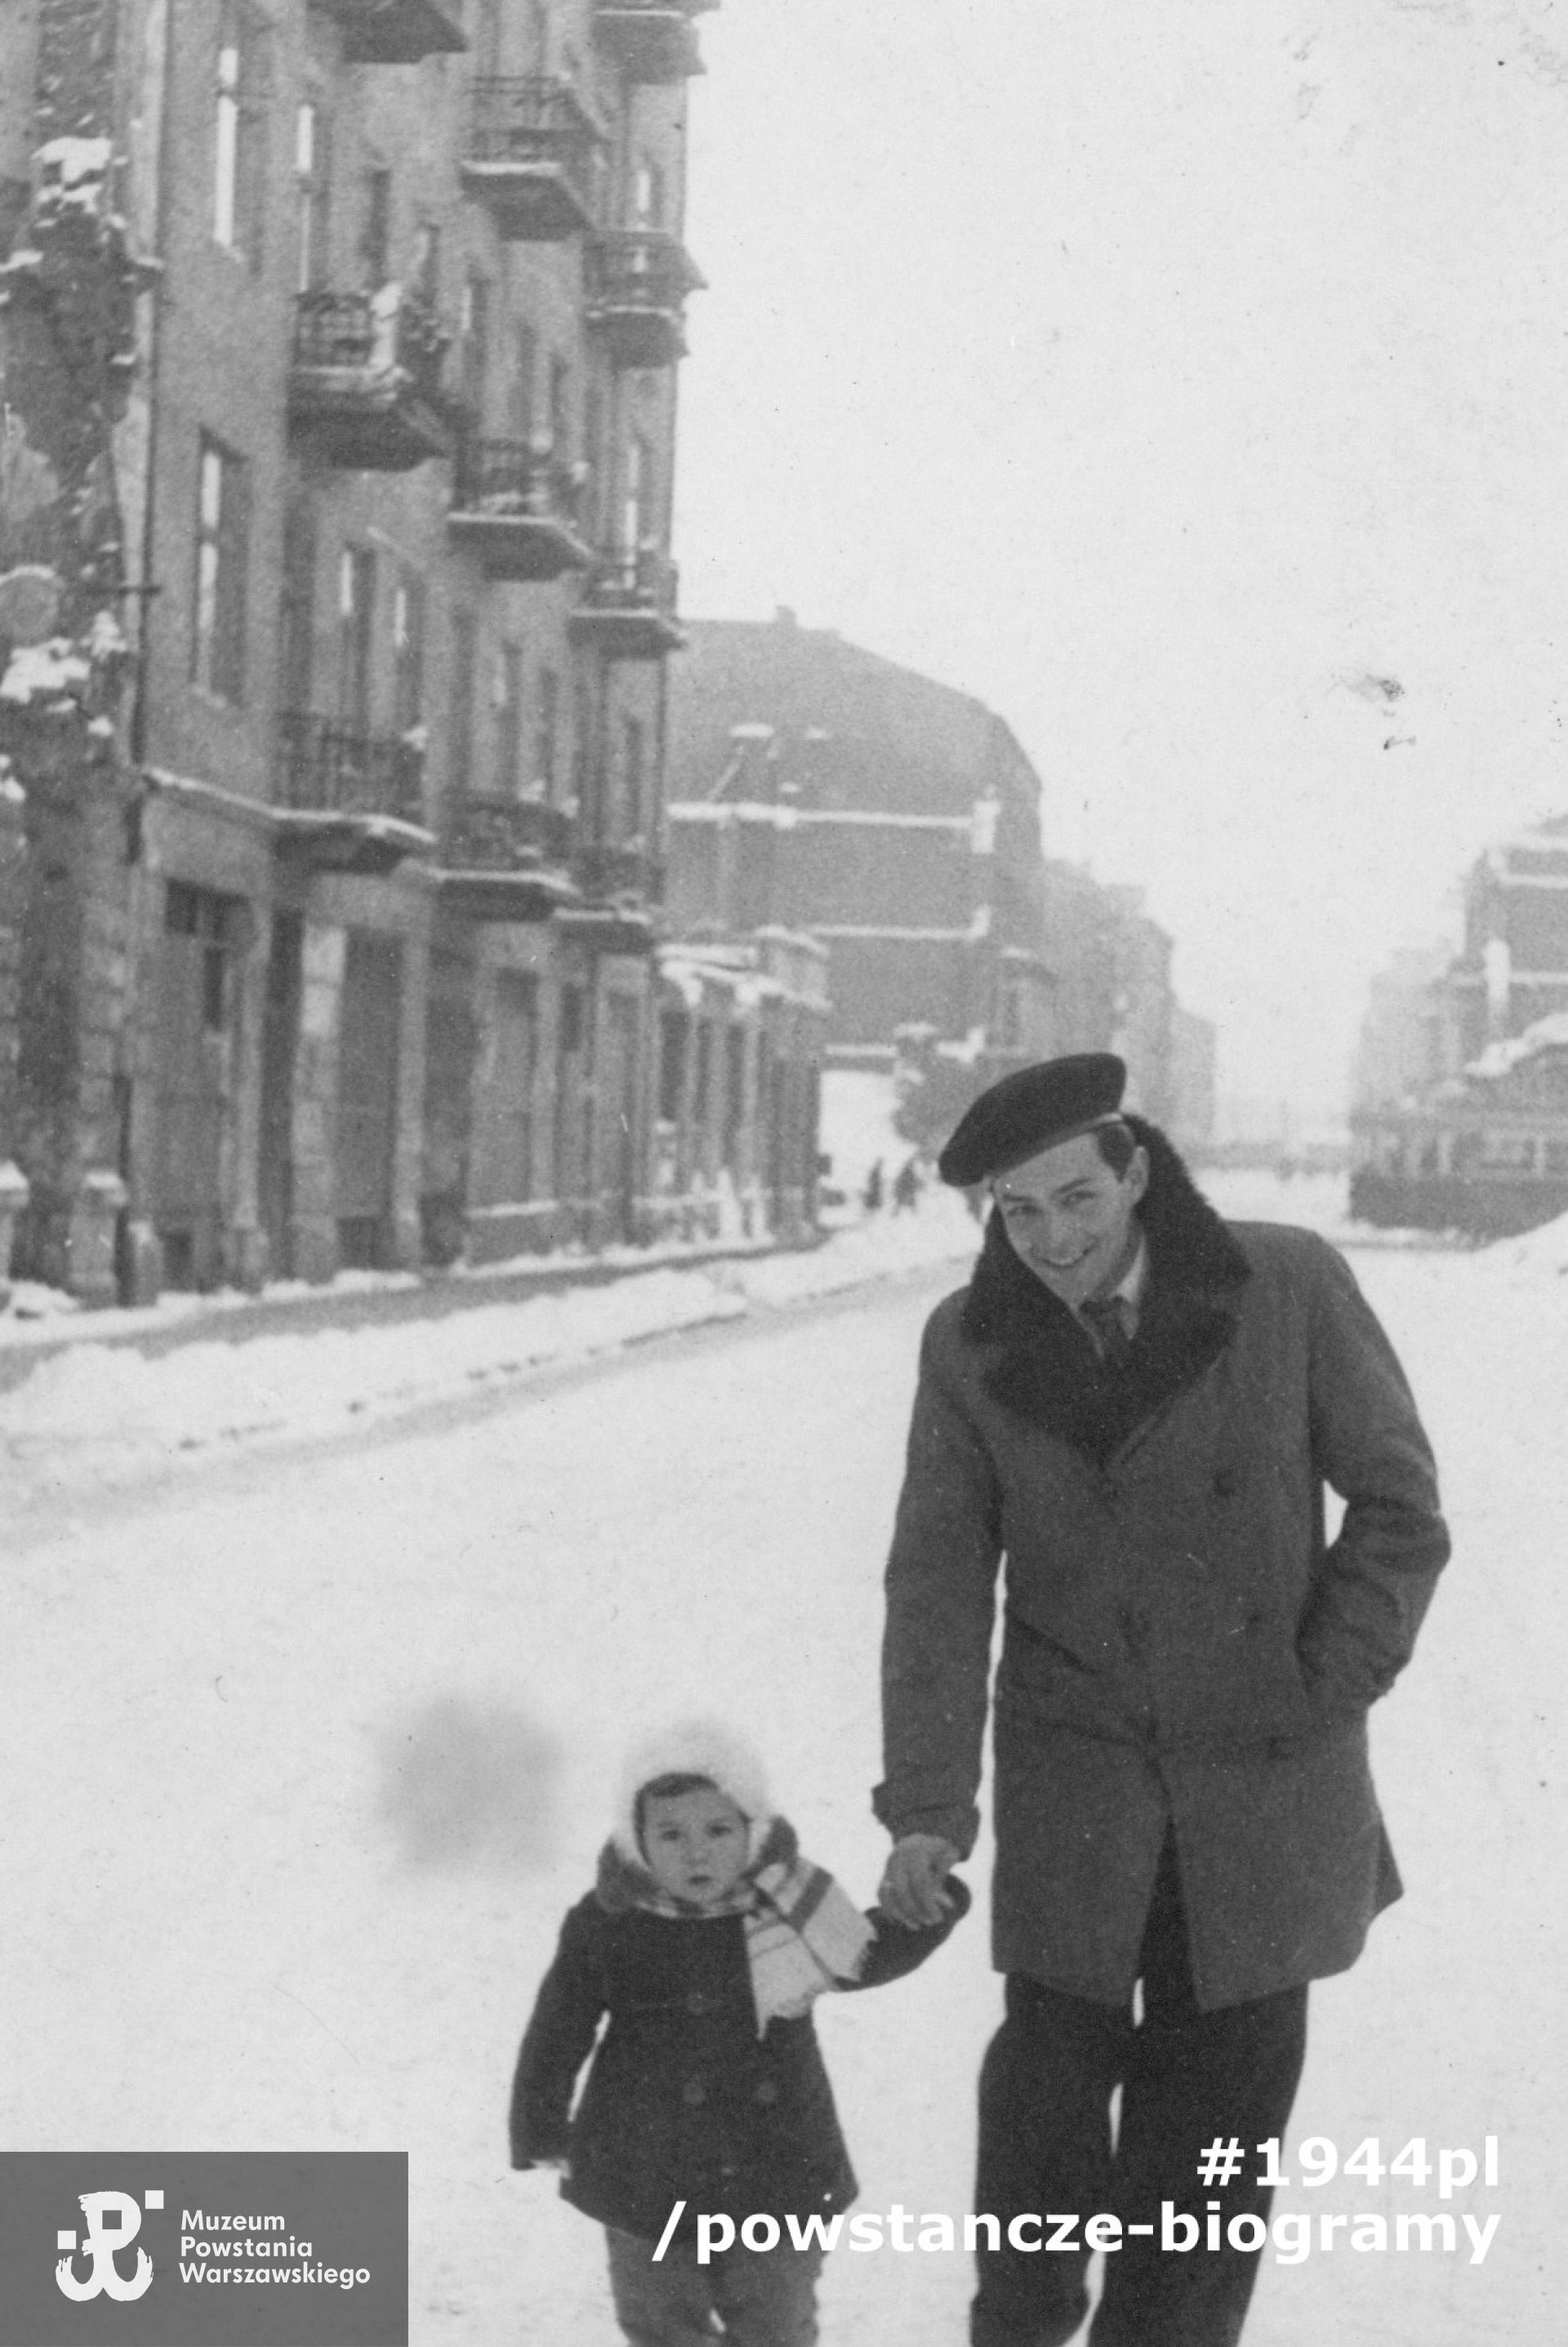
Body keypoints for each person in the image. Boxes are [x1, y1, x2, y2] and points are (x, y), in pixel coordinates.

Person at [873, 1054, 1450, 2347]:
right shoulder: (970, 1343)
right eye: (1018, 1212)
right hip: (1078, 1789)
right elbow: (938, 1585)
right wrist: (926, 1810)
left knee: (1201, 2192)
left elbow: (1401, 1510)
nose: (1053, 1240)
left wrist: (1321, 1685)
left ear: (1135, 1172)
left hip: (1261, 1790)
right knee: (1036, 2151)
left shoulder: (1284, 1283)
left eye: (1077, 1198)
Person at [512, 1720, 969, 2347]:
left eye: (718, 1830)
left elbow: (864, 1954)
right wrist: (539, 2121)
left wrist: (926, 1909)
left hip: (776, 2165)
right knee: (658, 2316)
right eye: (671, 1834)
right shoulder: (608, 1921)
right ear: (637, 1838)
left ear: (752, 1830)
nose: (696, 1853)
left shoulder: (790, 1907)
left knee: (775, 2319)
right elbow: (558, 2027)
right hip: (645, 2165)